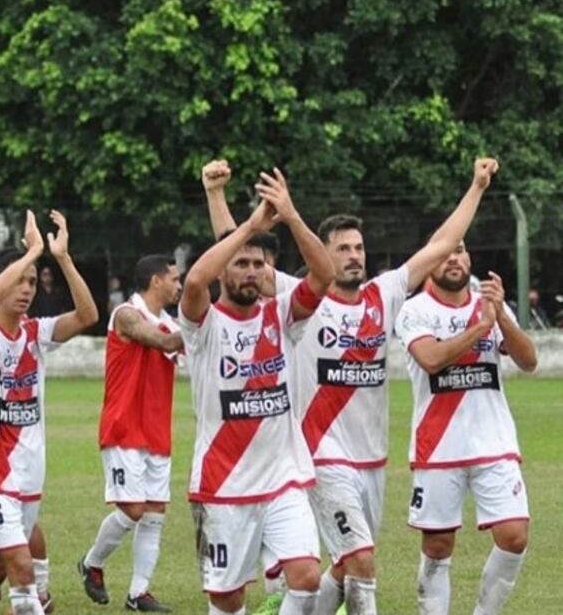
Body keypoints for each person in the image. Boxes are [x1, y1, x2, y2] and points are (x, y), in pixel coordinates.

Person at [202, 158, 499, 614]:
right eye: (342, 249)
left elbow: (441, 245)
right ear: (323, 253)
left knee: (345, 566)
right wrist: (217, 197)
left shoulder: (385, 293)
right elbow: (236, 258)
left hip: (372, 459)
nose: (353, 255)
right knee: (361, 560)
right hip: (322, 455)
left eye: (358, 248)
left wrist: (477, 186)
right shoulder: (294, 296)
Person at [180, 169, 334, 615]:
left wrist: (289, 215)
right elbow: (193, 283)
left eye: (257, 264)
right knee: (228, 600)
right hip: (223, 483)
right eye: (240, 263)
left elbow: (323, 275)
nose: (251, 272)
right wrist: (250, 227)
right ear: (223, 270)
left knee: (306, 579)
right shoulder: (203, 325)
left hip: (282, 477)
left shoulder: (281, 316)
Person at [0, 211, 98, 615]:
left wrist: (62, 258)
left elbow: (87, 316)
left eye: (32, 282)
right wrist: (33, 251)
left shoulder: (36, 334)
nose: (26, 290)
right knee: (21, 568)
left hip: (29, 471)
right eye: (19, 280)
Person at [396, 252, 536, 615]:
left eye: (459, 250)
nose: (453, 259)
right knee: (439, 546)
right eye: (444, 254)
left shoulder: (489, 306)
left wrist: (500, 314)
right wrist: (479, 327)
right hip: (439, 446)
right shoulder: (415, 310)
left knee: (514, 536)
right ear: (430, 263)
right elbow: (431, 359)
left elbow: (529, 361)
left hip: (494, 443)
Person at [79, 255, 182, 612]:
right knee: (133, 509)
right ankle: (91, 563)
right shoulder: (125, 314)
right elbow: (156, 340)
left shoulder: (170, 324)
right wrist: (201, 330)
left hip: (157, 430)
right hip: (124, 428)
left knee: (155, 512)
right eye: (174, 278)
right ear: (156, 281)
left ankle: (138, 593)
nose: (179, 285)